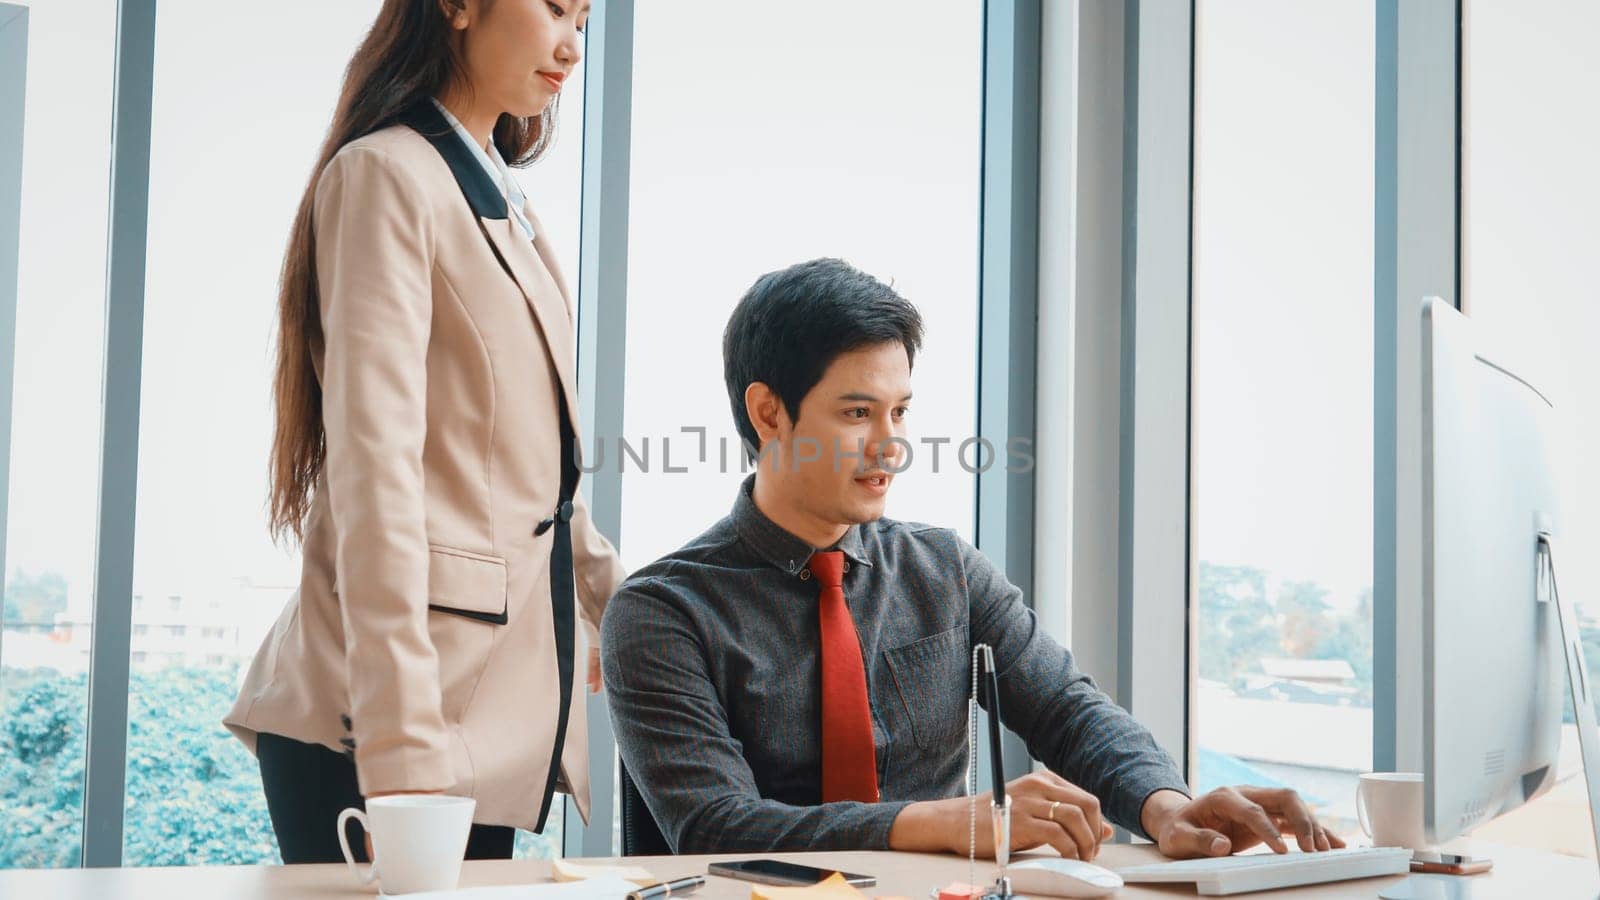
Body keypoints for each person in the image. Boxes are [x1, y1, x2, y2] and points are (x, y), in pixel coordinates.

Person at [602, 258, 1346, 860]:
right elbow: (714, 827)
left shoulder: (945, 570)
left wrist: (1169, 806)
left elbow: (1067, 711)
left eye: (900, 412)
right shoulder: (663, 610)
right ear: (770, 413)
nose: (892, 447)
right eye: (858, 413)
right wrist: (954, 822)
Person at [225, 0, 624, 863]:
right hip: (383, 722)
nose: (571, 45)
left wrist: (616, 607)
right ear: (458, 5)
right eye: (556, 7)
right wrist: (403, 753)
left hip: (481, 714)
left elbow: (537, 479)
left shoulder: (496, 193)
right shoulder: (387, 175)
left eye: (585, 21)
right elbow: (376, 475)